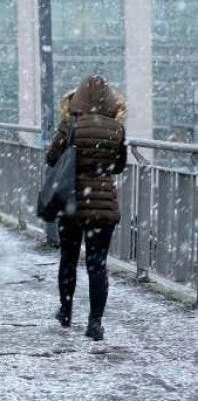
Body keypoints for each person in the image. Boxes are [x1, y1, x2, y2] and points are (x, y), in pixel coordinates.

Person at [46, 75, 127, 341]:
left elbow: (52, 157)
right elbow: (117, 166)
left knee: (69, 258)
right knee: (97, 264)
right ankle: (95, 322)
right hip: (103, 207)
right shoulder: (116, 129)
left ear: (78, 97)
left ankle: (66, 311)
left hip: (71, 202)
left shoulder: (71, 124)